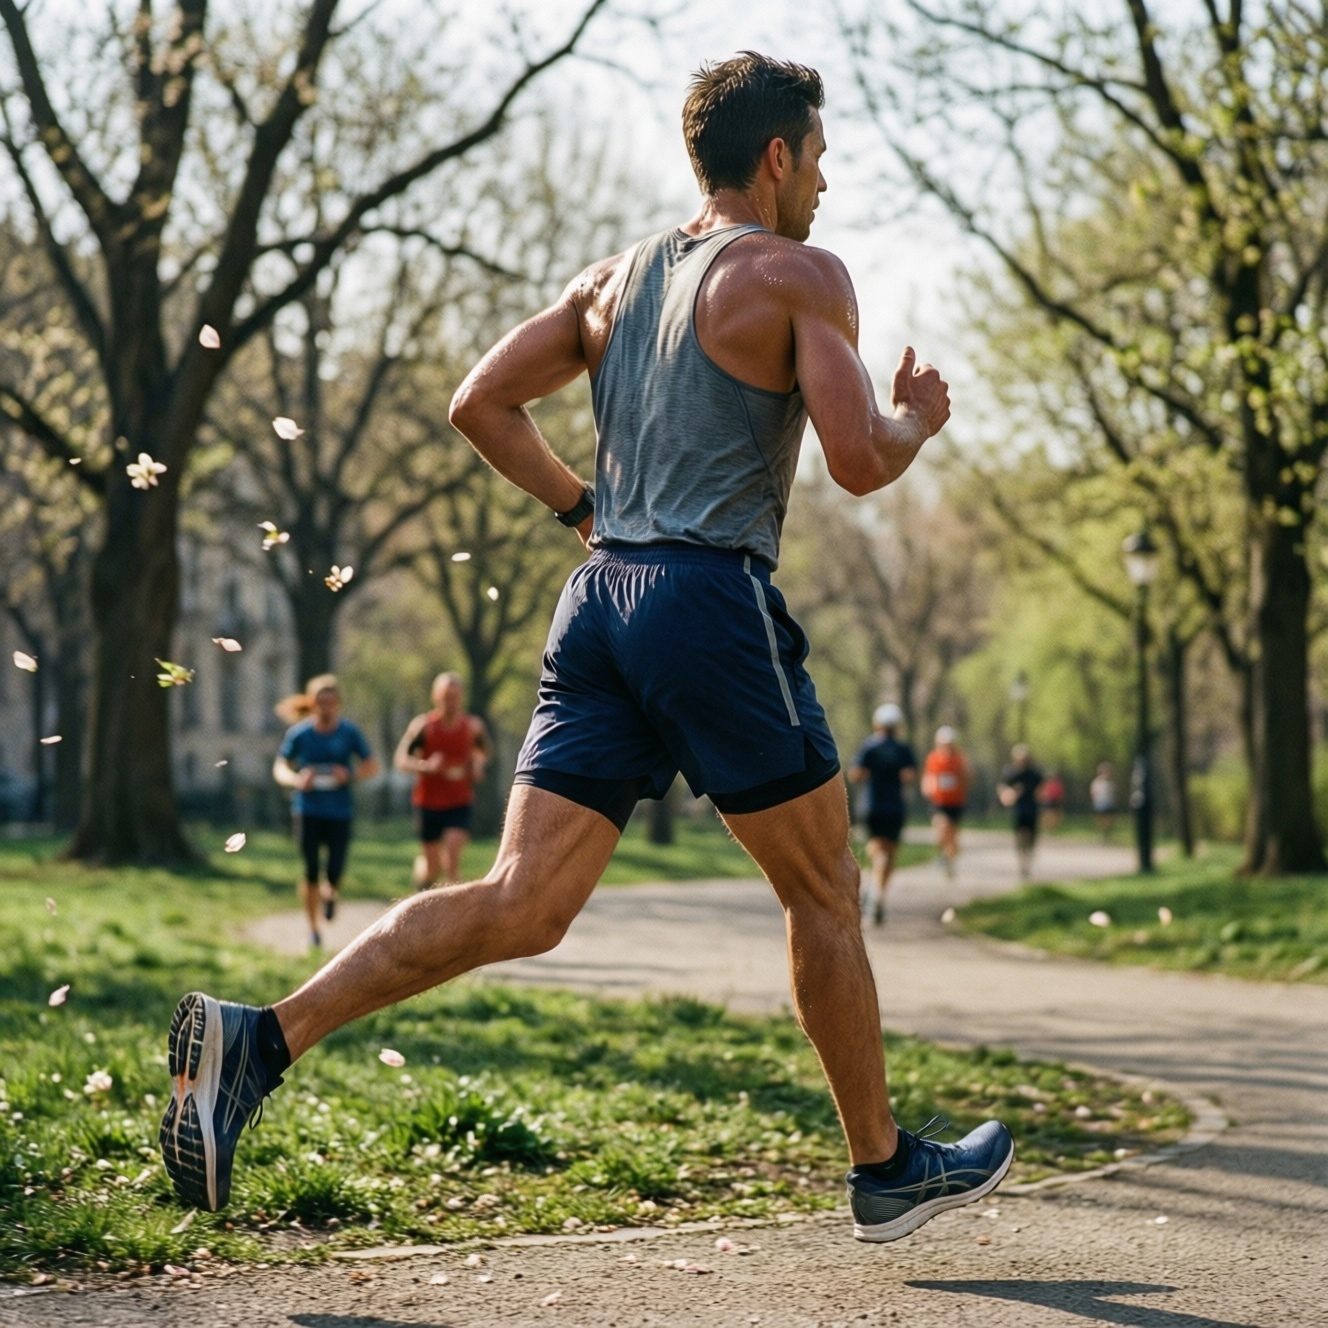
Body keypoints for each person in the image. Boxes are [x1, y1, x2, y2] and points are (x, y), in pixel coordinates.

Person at [159, 53, 1012, 1242]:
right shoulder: (796, 275)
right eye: (817, 157)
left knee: (521, 899)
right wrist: (914, 417)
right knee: (823, 888)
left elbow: (477, 402)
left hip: (598, 601)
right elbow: (859, 459)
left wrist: (581, 509)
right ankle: (883, 1169)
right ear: (775, 157)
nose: (823, 181)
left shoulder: (609, 282)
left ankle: (261, 1038)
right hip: (709, 600)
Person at [271, 675, 380, 948]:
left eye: (331, 702)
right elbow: (280, 768)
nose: (326, 707)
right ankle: (313, 930)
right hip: (307, 810)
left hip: (339, 812)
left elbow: (371, 766)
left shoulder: (349, 733)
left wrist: (349, 775)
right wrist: (297, 780)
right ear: (312, 703)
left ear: (339, 703)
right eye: (321, 702)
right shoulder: (300, 735)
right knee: (310, 871)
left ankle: (330, 893)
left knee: (334, 870)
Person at [394, 672, 491, 891]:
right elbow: (401, 760)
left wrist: (478, 765)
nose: (451, 702)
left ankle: (453, 910)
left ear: (462, 697)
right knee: (432, 869)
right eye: (446, 696)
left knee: (452, 859)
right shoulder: (424, 726)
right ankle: (422, 877)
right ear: (435, 697)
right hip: (428, 802)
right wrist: (425, 766)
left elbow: (484, 753)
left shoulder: (473, 727)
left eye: (455, 696)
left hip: (459, 801)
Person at [848, 702, 916, 925]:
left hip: (872, 806)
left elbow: (855, 774)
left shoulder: (869, 747)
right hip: (894, 807)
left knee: (877, 850)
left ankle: (873, 892)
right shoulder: (902, 749)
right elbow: (910, 775)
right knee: (890, 854)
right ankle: (878, 894)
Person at [921, 725, 969, 877]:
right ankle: (943, 854)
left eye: (949, 743)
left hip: (955, 802)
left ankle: (949, 860)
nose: (946, 746)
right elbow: (928, 776)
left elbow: (967, 778)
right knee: (941, 829)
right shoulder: (933, 758)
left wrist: (962, 781)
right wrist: (927, 787)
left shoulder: (959, 759)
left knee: (953, 839)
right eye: (943, 743)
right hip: (939, 801)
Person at [997, 743, 1045, 881]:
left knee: (1031, 836)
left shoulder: (1034, 773)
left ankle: (1028, 858)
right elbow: (1002, 787)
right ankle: (1022, 863)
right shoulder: (1010, 773)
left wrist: (1040, 795)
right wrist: (1007, 795)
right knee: (1019, 836)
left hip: (1032, 807)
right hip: (1018, 808)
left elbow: (1042, 788)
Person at [1090, 760, 1117, 840]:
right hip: (1100, 802)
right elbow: (1093, 792)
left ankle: (1107, 832)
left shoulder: (1111, 782)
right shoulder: (1097, 782)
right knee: (1101, 818)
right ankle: (1102, 832)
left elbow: (1113, 793)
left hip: (1109, 803)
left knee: (1110, 818)